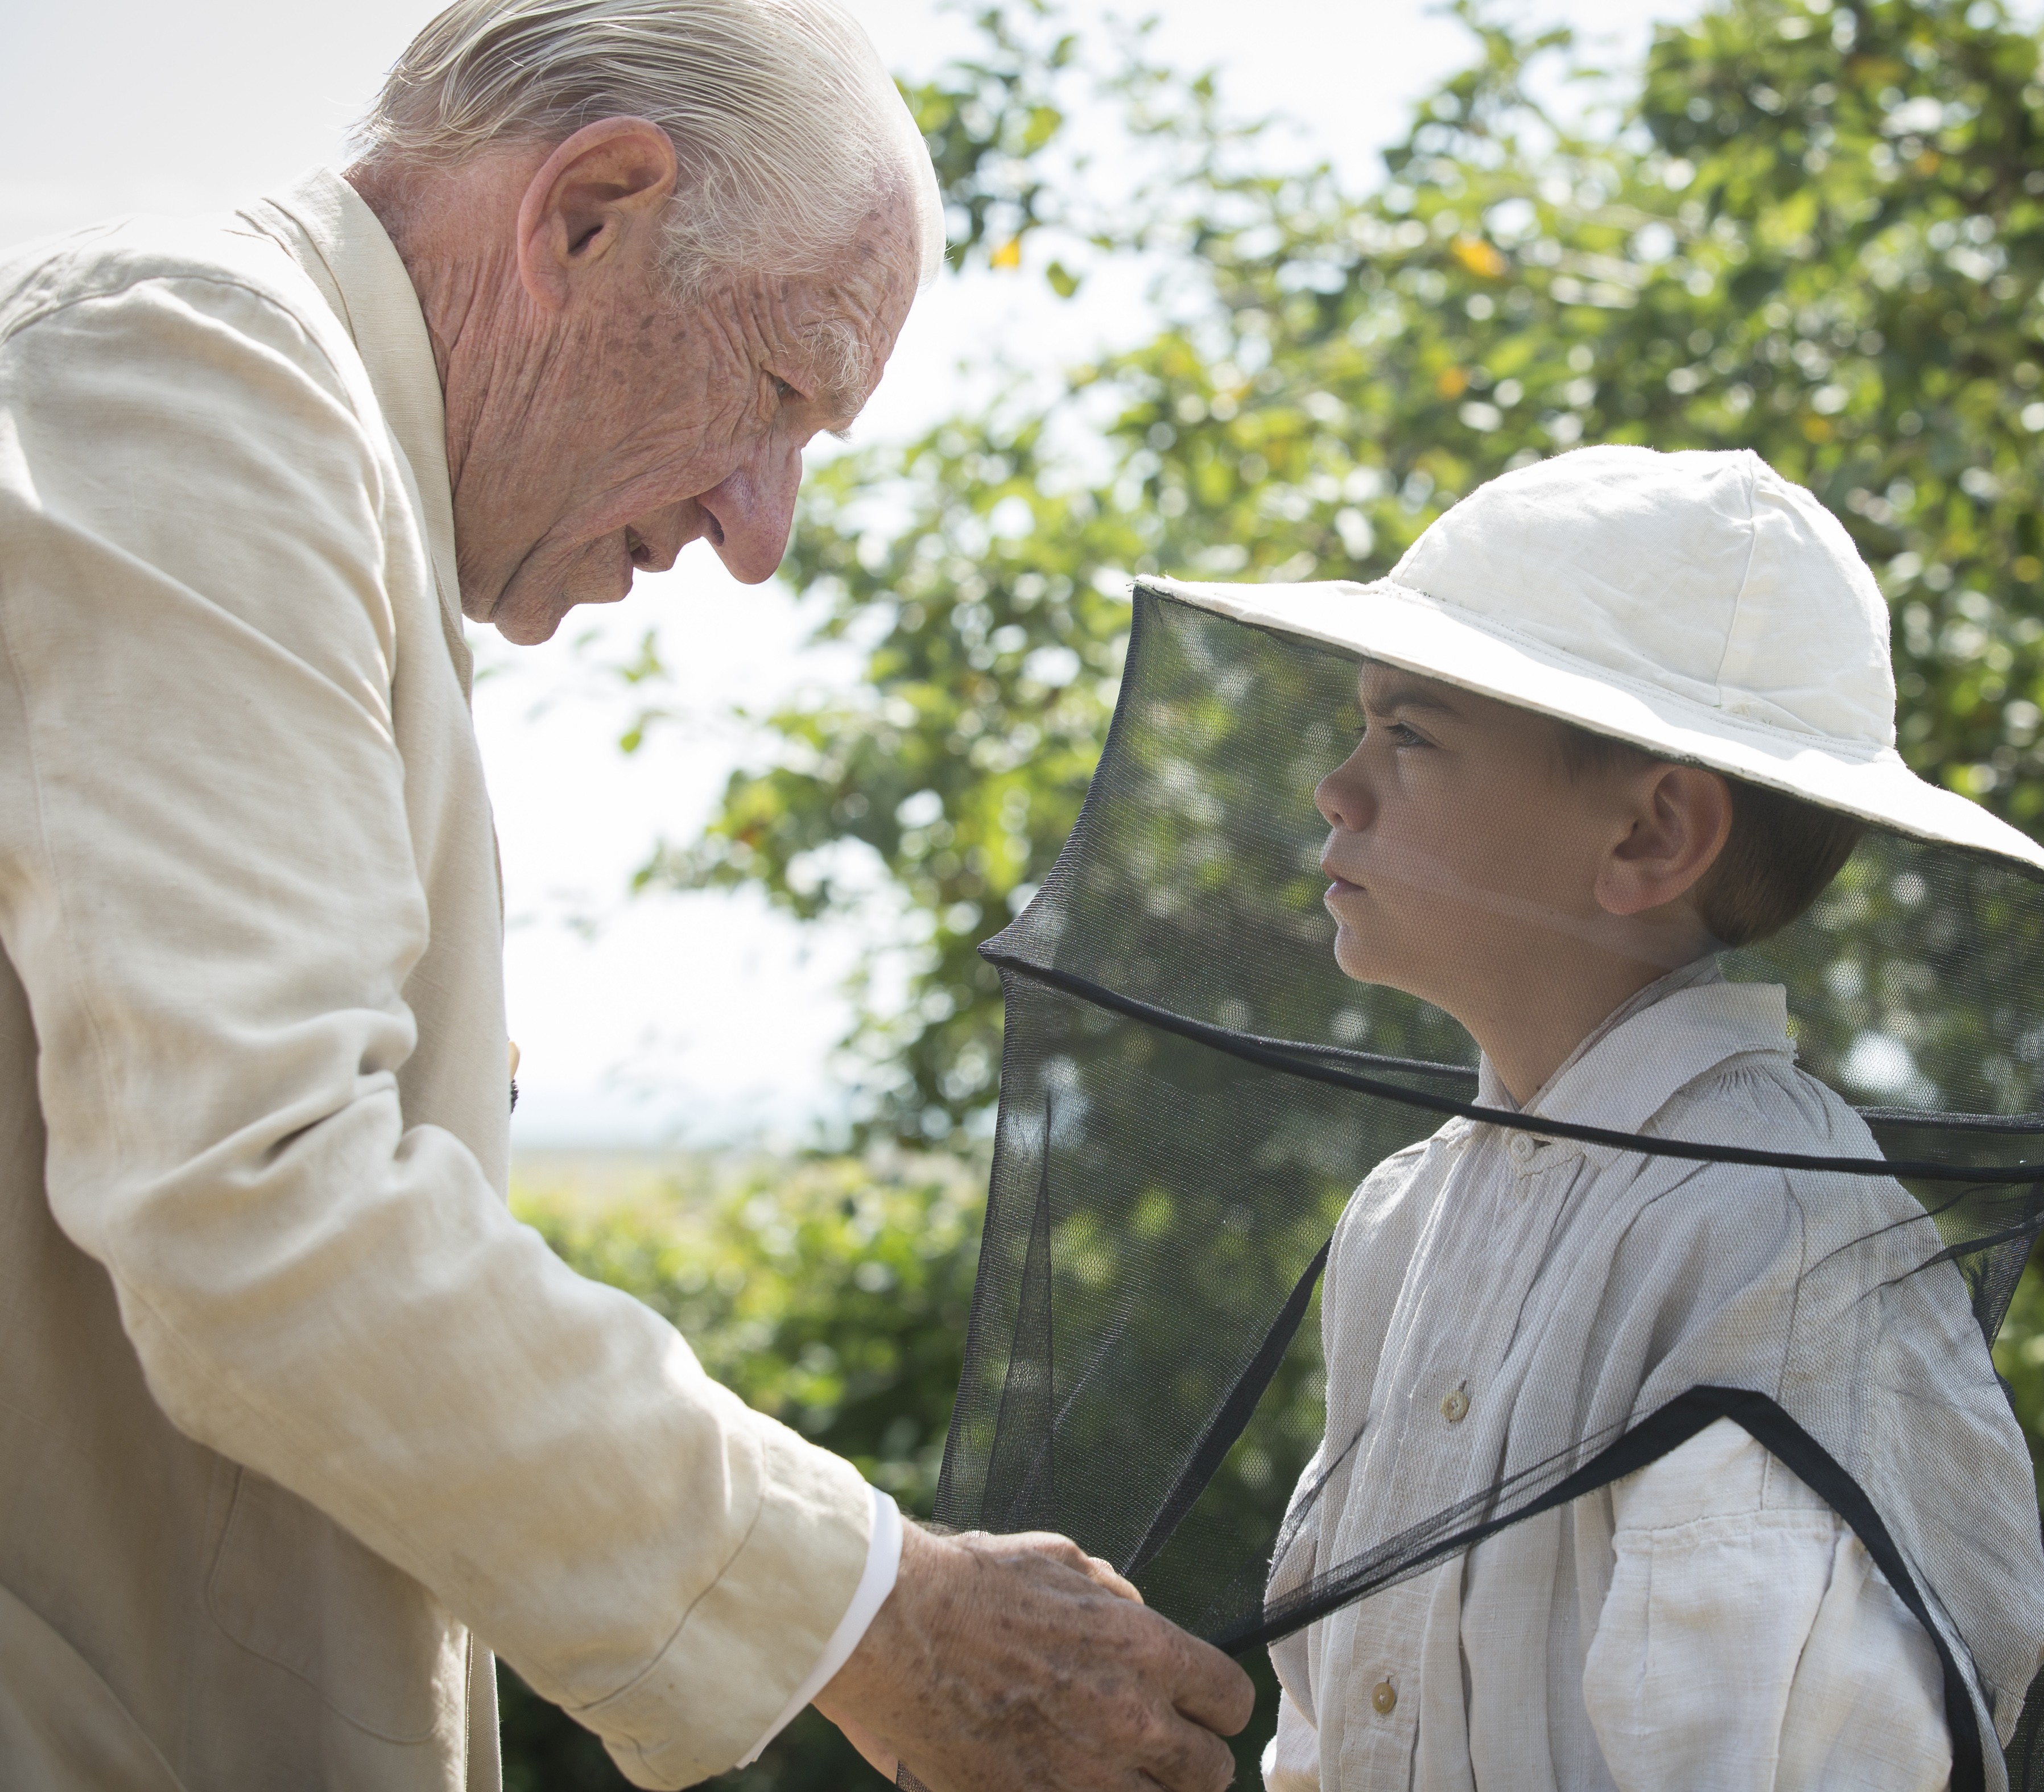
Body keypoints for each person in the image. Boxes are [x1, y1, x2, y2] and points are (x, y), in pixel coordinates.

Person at [0, 3, 1249, 1789]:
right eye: (780, 390)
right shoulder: (188, 376)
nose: (761, 532)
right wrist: (881, 1614)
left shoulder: (296, 450)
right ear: (589, 209)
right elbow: (256, 1192)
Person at [1240, 447, 2044, 1790]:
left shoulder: (1772, 1244)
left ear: (1651, 837)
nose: (1339, 788)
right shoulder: (1406, 1213)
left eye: (1410, 733)